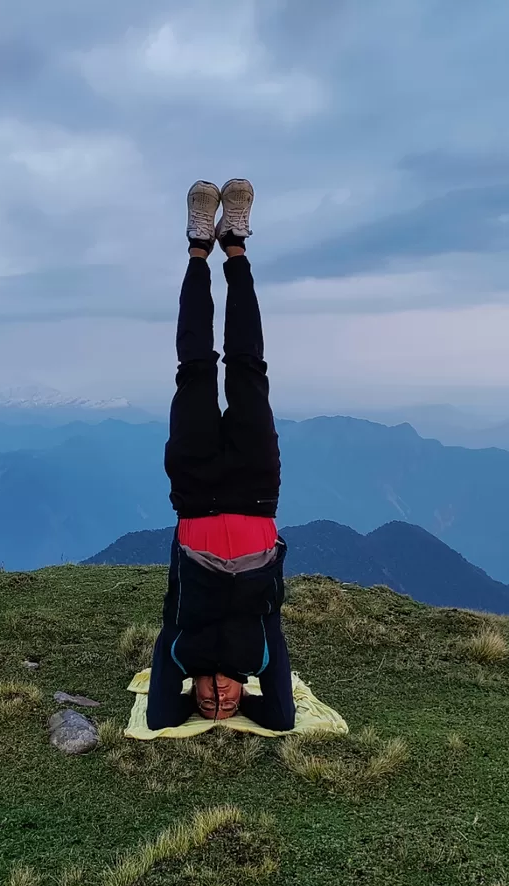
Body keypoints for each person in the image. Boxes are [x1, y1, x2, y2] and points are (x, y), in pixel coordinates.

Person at [145, 179, 296, 732]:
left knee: (197, 367)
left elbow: (161, 714)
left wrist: (186, 698)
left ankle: (197, 247)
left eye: (209, 705)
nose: (219, 703)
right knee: (248, 369)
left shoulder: (181, 652)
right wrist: (253, 704)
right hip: (257, 492)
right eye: (227, 706)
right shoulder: (260, 657)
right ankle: (236, 246)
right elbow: (280, 718)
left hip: (196, 491)